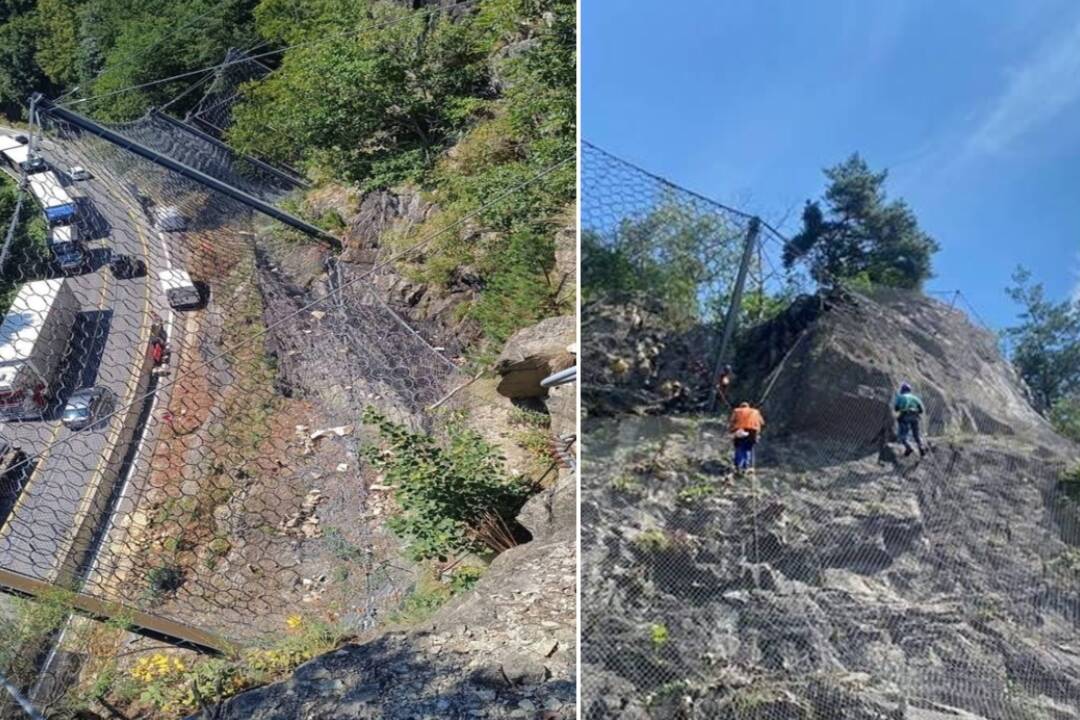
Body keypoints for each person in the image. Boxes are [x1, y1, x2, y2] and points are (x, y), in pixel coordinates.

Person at [729, 401, 764, 471]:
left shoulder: (736, 410)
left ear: (740, 406)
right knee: (748, 449)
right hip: (753, 432)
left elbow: (732, 421)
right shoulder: (756, 411)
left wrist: (731, 431)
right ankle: (746, 466)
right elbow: (762, 422)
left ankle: (738, 465)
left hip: (740, 430)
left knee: (739, 447)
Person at [893, 382, 926, 457]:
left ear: (902, 390)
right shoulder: (915, 398)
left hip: (905, 416)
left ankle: (908, 447)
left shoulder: (900, 397)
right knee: (916, 435)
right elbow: (921, 410)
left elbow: (896, 408)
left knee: (902, 434)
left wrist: (901, 407)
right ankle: (921, 447)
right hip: (915, 417)